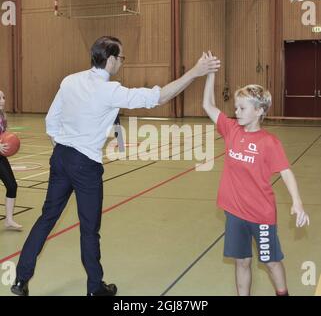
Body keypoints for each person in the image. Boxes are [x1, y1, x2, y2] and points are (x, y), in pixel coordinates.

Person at [11, 37, 221, 296]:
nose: (122, 62)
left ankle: (21, 280)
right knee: (89, 230)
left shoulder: (69, 80)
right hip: (85, 164)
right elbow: (159, 97)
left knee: (46, 218)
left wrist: (62, 147)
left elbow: (51, 120)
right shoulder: (110, 90)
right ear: (110, 59)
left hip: (61, 158)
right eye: (121, 58)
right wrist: (195, 72)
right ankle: (94, 288)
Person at [202, 51, 310, 296]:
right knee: (242, 261)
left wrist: (297, 202)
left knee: (270, 261)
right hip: (235, 214)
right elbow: (208, 105)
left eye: (242, 108)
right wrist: (210, 74)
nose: (236, 112)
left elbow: (286, 172)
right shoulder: (231, 130)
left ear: (259, 111)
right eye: (236, 107)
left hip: (261, 215)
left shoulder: (269, 142)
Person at [0, 90, 21, 230]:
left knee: (12, 185)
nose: (3, 100)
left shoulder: (2, 116)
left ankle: (9, 220)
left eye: (3, 97)